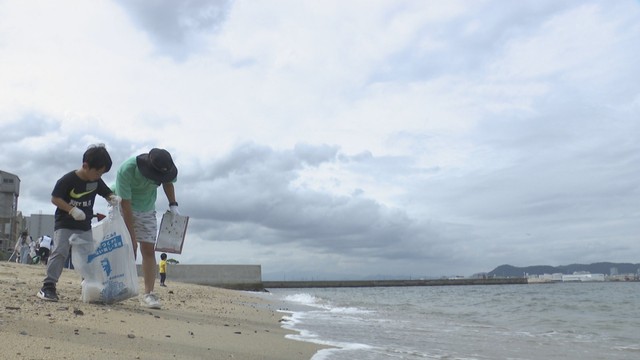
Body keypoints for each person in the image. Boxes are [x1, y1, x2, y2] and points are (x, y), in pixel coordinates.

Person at [37, 144, 120, 302]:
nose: (99, 176)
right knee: (60, 252)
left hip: (84, 226)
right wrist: (72, 210)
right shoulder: (68, 179)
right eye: (98, 172)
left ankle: (90, 287)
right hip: (65, 223)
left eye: (102, 173)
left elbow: (105, 192)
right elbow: (55, 198)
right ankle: (47, 286)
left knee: (88, 256)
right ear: (85, 166)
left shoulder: (96, 181)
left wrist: (112, 198)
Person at [113, 148, 179, 309]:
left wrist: (173, 204)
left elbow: (168, 183)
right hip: (122, 204)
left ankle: (148, 294)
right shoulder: (126, 170)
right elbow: (126, 206)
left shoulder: (167, 168)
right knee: (123, 247)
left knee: (148, 250)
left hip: (147, 209)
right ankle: (111, 285)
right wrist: (132, 237)